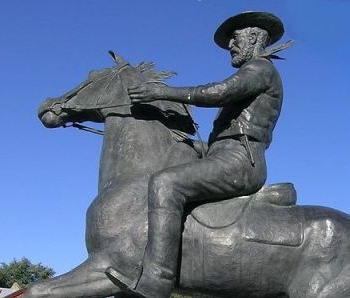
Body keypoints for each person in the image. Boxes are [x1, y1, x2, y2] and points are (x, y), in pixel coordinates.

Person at [105, 11, 292, 298]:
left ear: (254, 37)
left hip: (240, 161)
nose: (231, 44)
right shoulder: (255, 73)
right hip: (226, 154)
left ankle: (157, 278)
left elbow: (218, 92)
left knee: (166, 183)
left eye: (236, 38)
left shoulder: (261, 70)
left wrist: (161, 92)